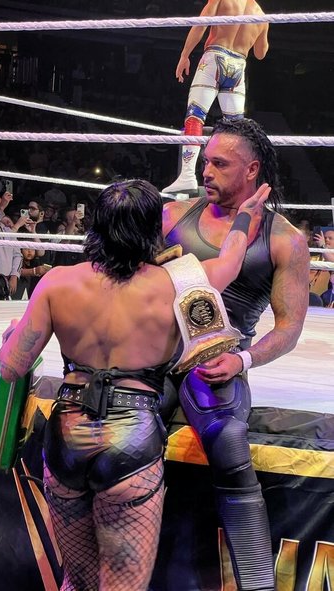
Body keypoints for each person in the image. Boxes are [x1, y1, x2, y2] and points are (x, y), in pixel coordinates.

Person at [0, 178, 270, 591]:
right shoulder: (178, 283)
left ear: (97, 225)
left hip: (68, 434)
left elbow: (11, 367)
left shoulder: (57, 282)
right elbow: (231, 261)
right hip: (131, 437)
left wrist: (11, 336)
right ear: (153, 230)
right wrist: (245, 215)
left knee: (78, 583)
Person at [162, 118, 310, 591]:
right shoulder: (172, 216)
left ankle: (259, 585)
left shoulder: (285, 239)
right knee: (122, 430)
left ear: (251, 170)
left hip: (218, 360)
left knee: (228, 442)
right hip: (155, 352)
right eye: (205, 161)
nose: (206, 171)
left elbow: (288, 327)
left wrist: (243, 361)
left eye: (220, 164)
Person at [163, 0, 269, 195]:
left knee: (195, 115)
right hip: (239, 66)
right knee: (236, 128)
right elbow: (260, 53)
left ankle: (187, 175)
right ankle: (236, 181)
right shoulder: (261, 15)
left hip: (214, 57)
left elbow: (201, 24)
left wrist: (185, 55)